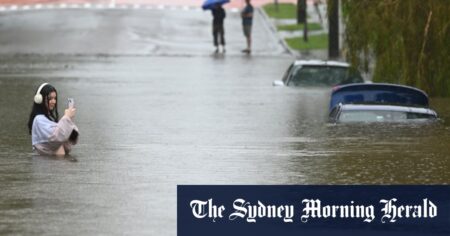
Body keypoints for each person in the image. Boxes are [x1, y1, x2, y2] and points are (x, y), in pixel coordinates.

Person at [27, 83, 79, 156]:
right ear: (40, 99)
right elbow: (55, 138)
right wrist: (67, 117)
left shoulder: (49, 119)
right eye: (50, 98)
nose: (54, 101)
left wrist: (69, 119)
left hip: (58, 164)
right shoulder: (38, 120)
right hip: (48, 165)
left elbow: (72, 141)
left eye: (55, 98)